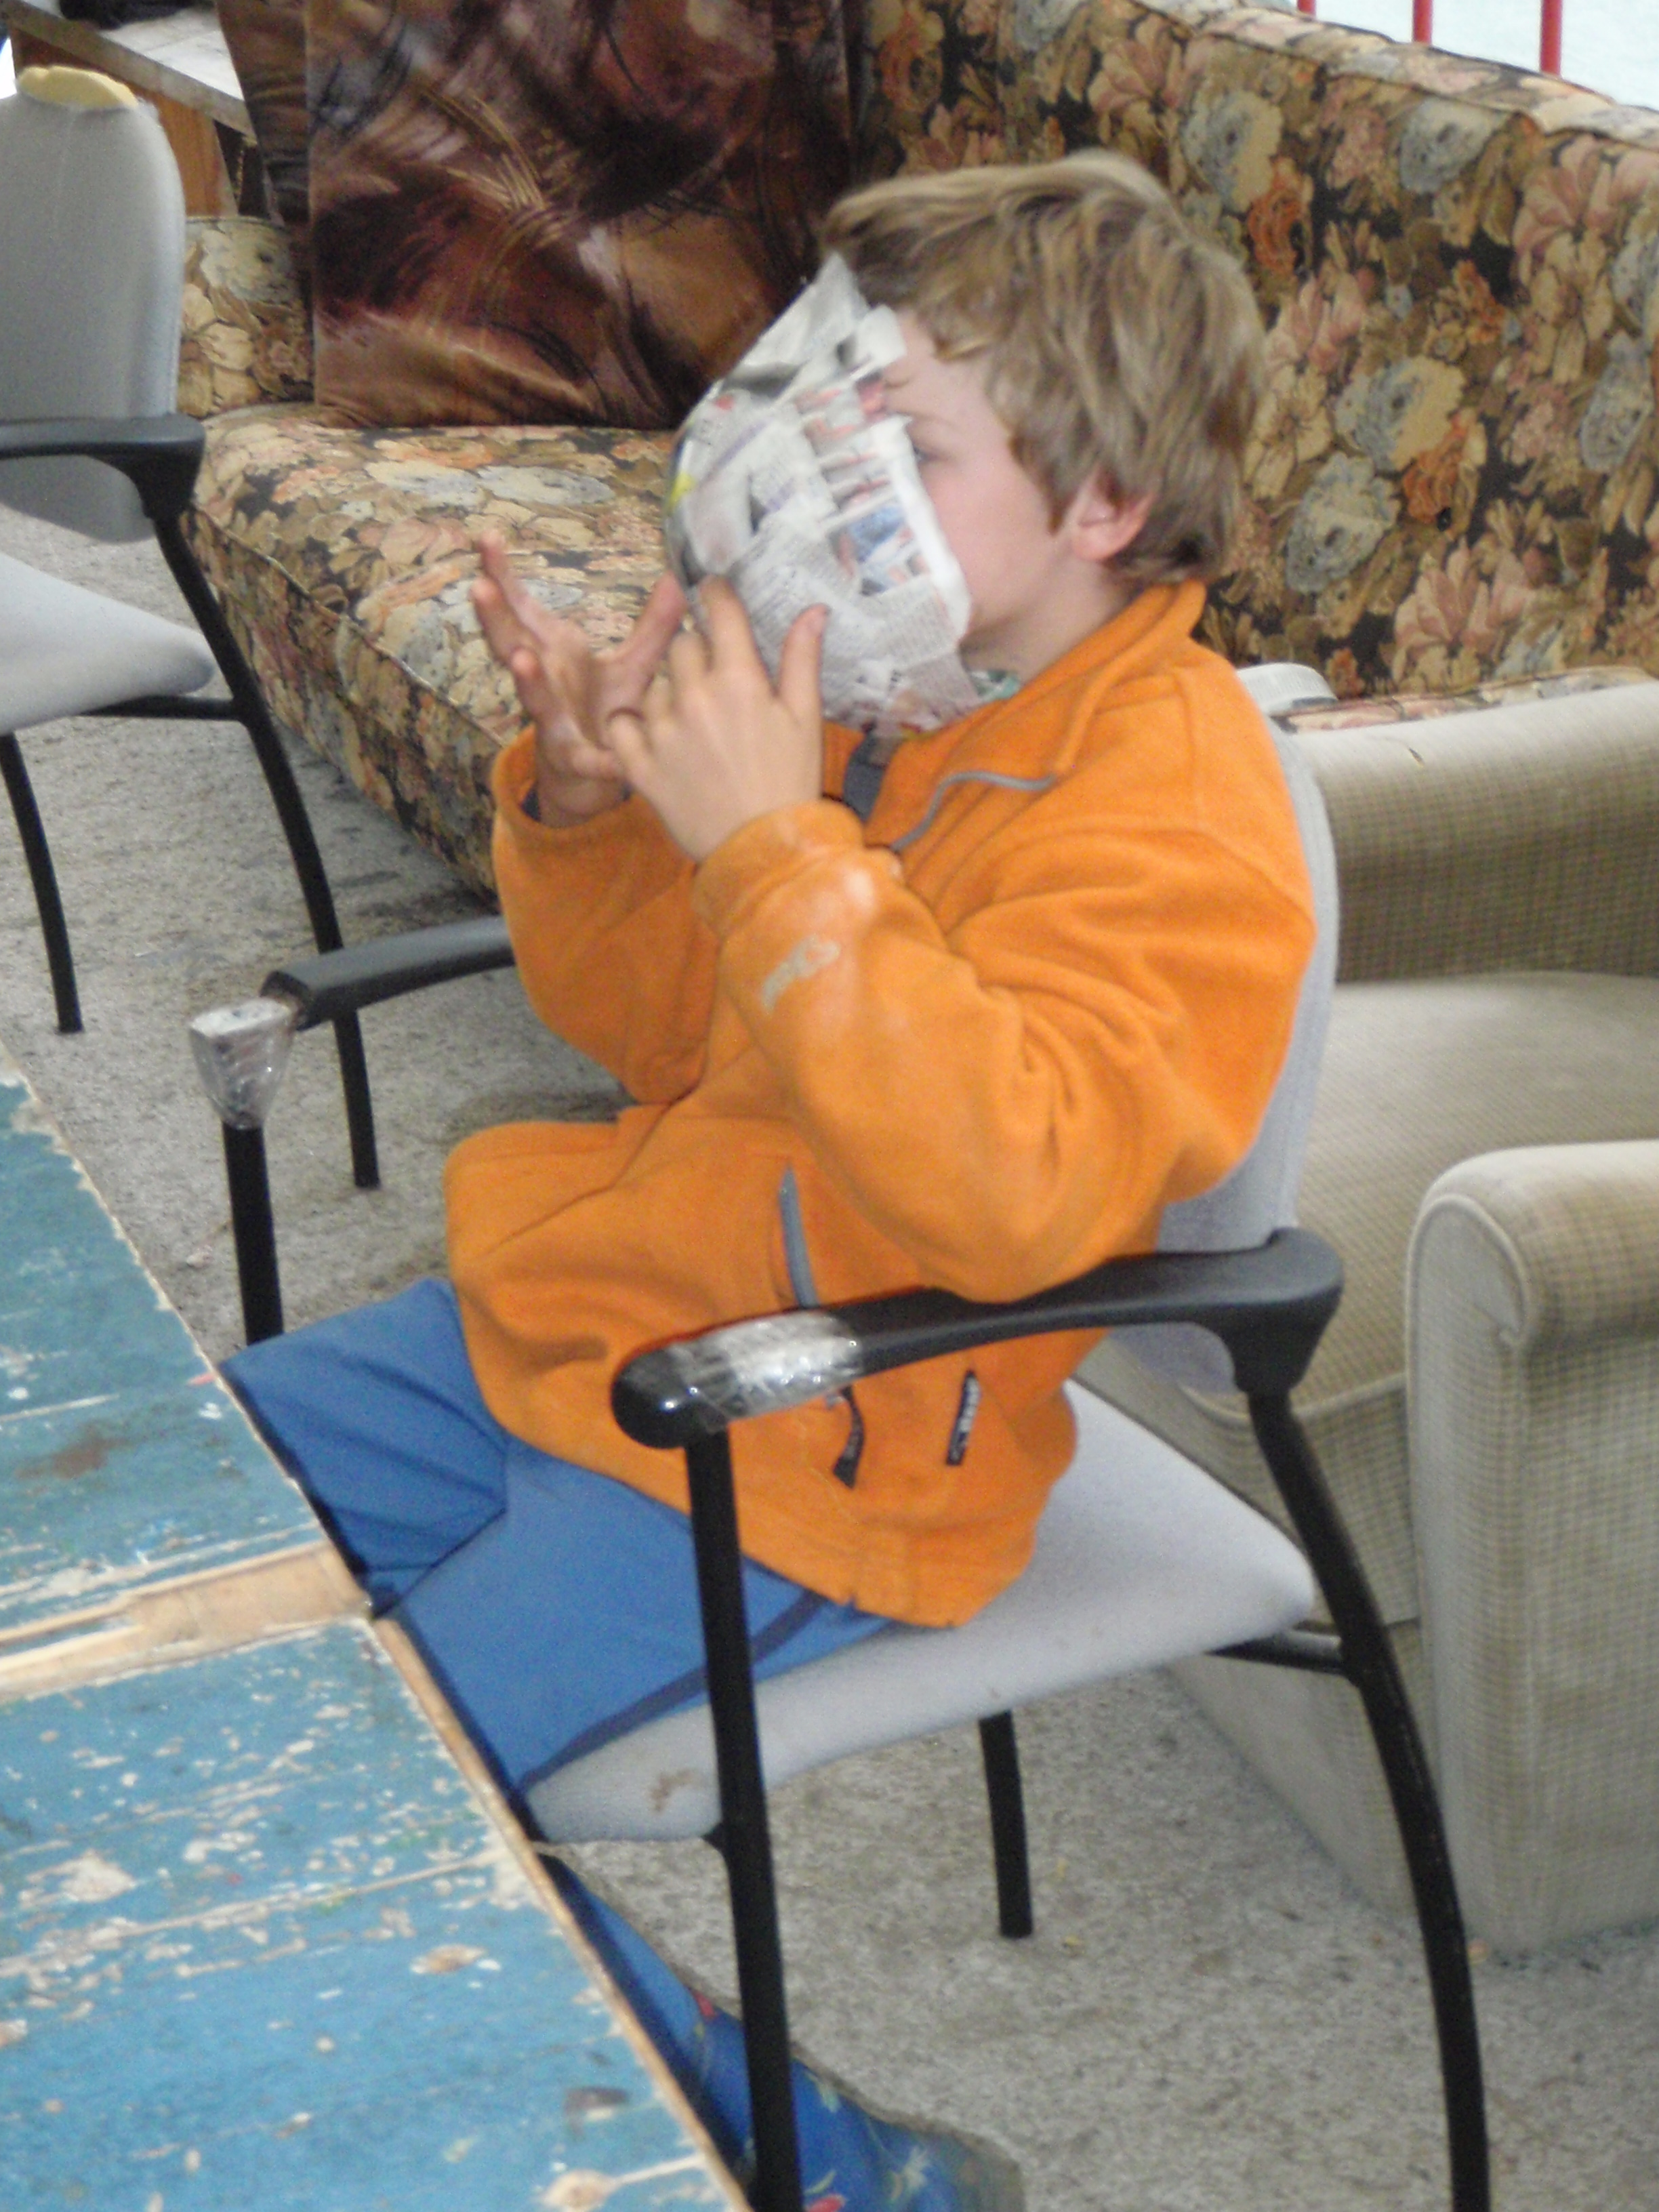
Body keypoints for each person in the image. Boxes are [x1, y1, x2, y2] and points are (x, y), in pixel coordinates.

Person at [226, 143, 1312, 1887]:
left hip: (805, 1450)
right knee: (124, 1513)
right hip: (591, 1321)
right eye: (829, 416)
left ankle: (735, 2088)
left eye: (913, 451)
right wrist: (591, 811)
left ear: (1104, 502)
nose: (821, 486)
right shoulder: (887, 696)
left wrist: (774, 850)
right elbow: (657, 1034)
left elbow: (1018, 1196)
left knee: (315, 1822)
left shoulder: (1175, 804)